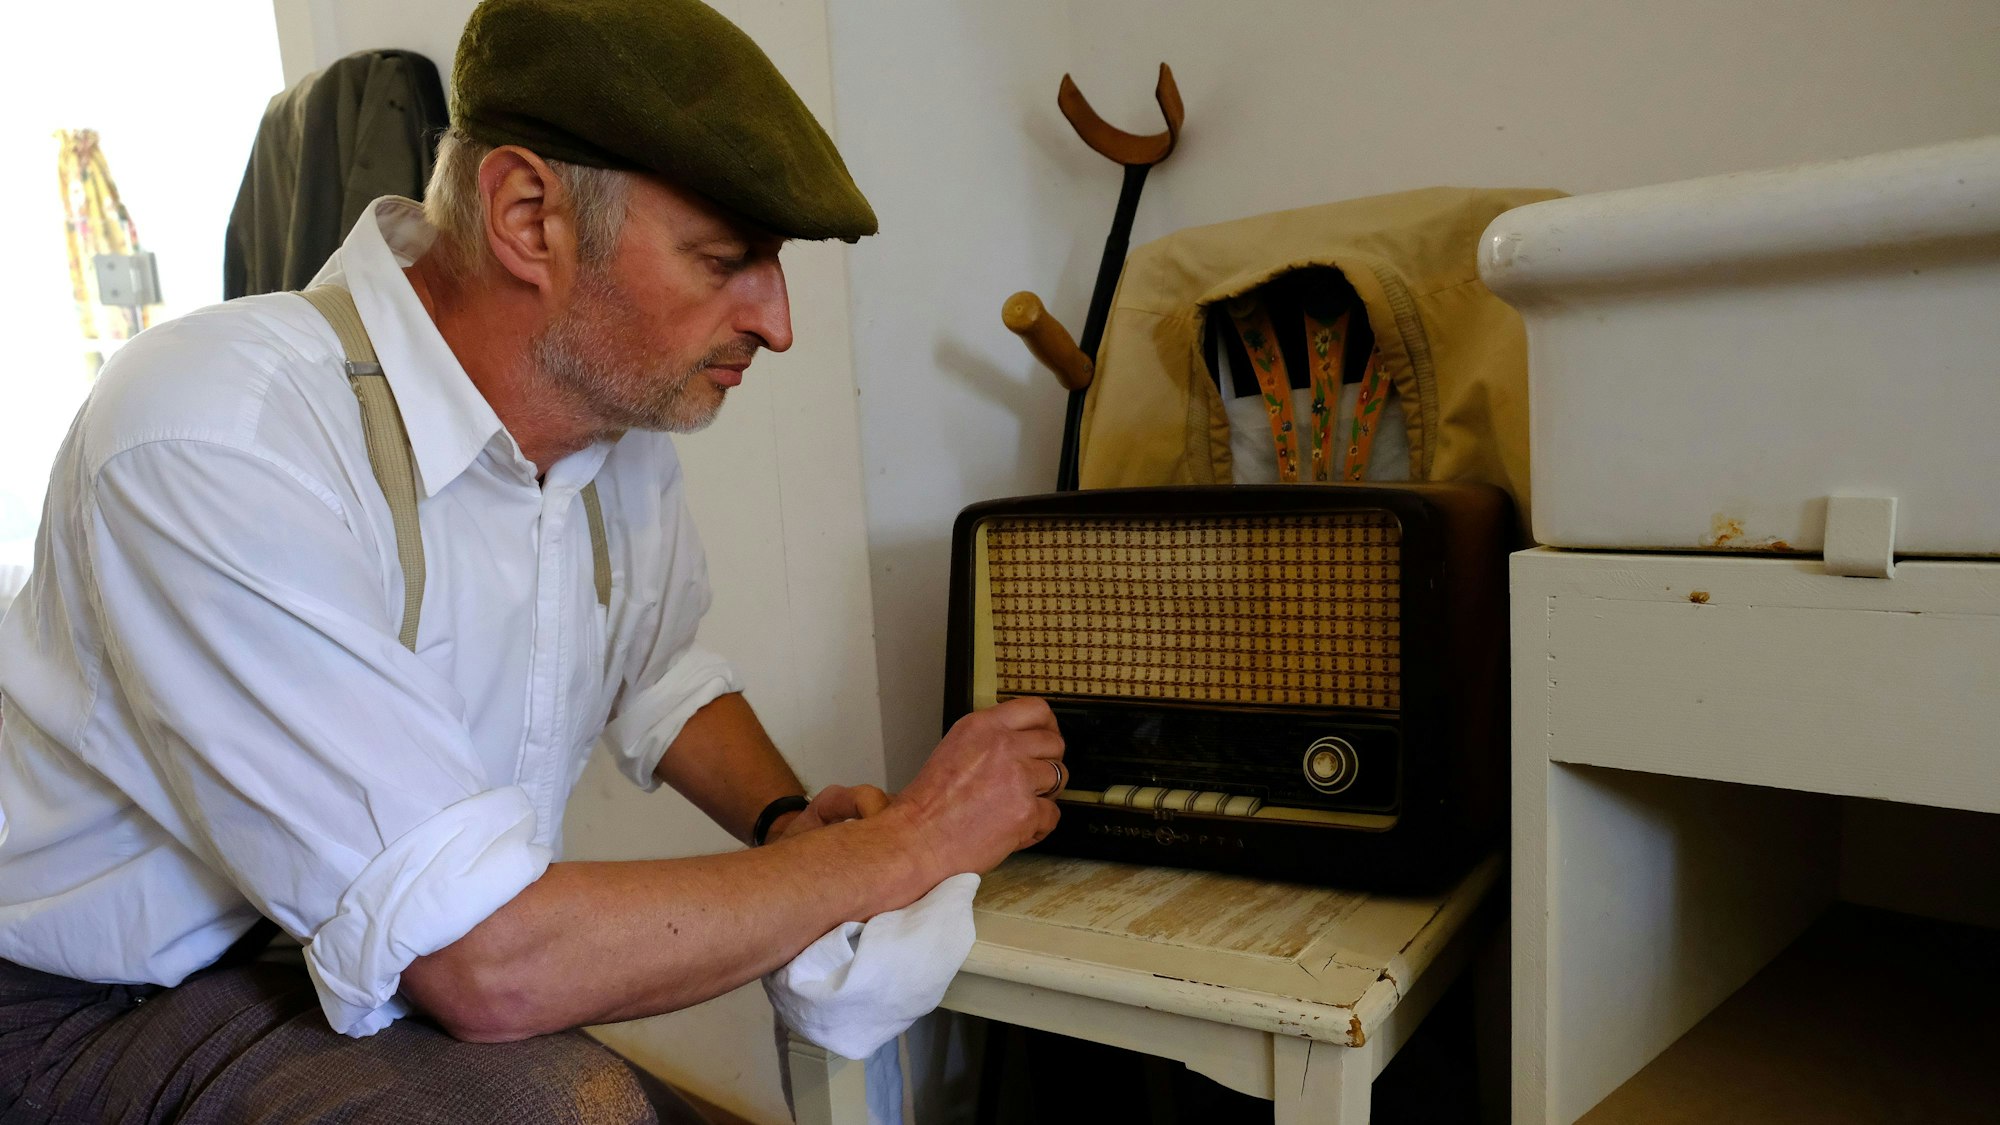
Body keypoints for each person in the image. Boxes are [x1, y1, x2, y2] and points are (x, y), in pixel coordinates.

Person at [0, 0, 1064, 1120]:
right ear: (526, 218)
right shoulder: (216, 432)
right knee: (570, 1106)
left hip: (340, 974)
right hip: (85, 1009)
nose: (778, 321)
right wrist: (908, 846)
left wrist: (783, 820)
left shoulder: (611, 434)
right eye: (725, 259)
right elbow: (489, 965)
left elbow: (654, 669)